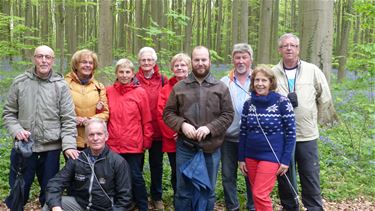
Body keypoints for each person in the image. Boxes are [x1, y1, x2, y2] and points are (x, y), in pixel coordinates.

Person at [2, 45, 78, 209]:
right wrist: (16, 130)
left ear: (53, 60)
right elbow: (9, 113)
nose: (43, 60)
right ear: (34, 58)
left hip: (50, 149)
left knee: (49, 191)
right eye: (40, 56)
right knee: (18, 190)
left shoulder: (61, 86)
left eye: (47, 57)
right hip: (24, 147)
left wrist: (69, 145)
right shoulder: (20, 82)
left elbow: (68, 119)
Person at [163, 46, 234, 210]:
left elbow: (228, 114)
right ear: (191, 62)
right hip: (186, 147)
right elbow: (168, 113)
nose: (200, 63)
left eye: (204, 60)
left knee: (207, 190)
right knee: (183, 191)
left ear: (209, 61)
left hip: (211, 148)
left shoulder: (220, 87)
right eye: (197, 60)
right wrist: (182, 125)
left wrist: (210, 128)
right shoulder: (180, 87)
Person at [272, 33, 336, 211]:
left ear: (298, 49)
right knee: (284, 177)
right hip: (282, 136)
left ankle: (314, 207)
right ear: (280, 50)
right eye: (285, 46)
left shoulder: (312, 70)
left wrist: (321, 120)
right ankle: (290, 207)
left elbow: (325, 97)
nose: (289, 48)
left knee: (310, 174)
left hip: (307, 135)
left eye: (293, 45)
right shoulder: (272, 73)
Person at [238, 65, 296, 211]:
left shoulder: (282, 102)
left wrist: (285, 160)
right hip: (251, 155)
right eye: (257, 80)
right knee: (256, 193)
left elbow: (291, 133)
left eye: (264, 80)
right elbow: (243, 131)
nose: (260, 83)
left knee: (260, 194)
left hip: (272, 156)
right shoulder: (249, 103)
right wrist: (241, 158)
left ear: (271, 82)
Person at [43, 118, 132, 211]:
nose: (95, 138)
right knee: (49, 205)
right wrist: (56, 207)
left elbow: (125, 199)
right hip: (81, 205)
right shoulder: (78, 158)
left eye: (99, 134)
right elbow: (55, 183)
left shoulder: (118, 162)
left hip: (107, 208)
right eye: (91, 135)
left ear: (106, 136)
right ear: (86, 138)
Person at [106, 58, 153, 211]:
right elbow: (105, 116)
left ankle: (142, 205)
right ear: (116, 73)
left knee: (135, 177)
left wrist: (146, 141)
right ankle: (119, 205)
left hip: (133, 143)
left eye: (128, 72)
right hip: (113, 143)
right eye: (121, 72)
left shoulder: (140, 93)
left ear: (133, 73)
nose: (124, 75)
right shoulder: (109, 91)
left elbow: (147, 120)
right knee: (113, 177)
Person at [220, 43, 255, 211]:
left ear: (250, 59)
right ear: (233, 60)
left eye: (244, 57)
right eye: (237, 57)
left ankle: (253, 207)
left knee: (252, 176)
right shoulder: (224, 82)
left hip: (252, 139)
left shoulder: (259, 79)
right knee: (228, 176)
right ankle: (232, 207)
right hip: (228, 138)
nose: (241, 61)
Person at [136, 47, 168, 209]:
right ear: (139, 62)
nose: (147, 63)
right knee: (136, 167)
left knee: (157, 165)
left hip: (158, 131)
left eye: (150, 60)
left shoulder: (163, 79)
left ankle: (157, 197)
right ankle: (137, 196)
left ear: (155, 61)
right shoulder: (133, 79)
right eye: (143, 60)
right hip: (138, 132)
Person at [157, 53, 191, 197]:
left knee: (192, 171)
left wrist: (189, 132)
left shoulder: (196, 86)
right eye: (176, 65)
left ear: (189, 67)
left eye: (183, 65)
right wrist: (175, 133)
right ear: (172, 68)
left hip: (192, 138)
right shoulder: (165, 89)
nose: (179, 68)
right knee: (176, 171)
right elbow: (161, 114)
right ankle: (179, 201)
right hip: (173, 140)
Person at [65, 49, 109, 150]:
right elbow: (57, 111)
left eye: (90, 63)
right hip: (71, 140)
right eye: (84, 62)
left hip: (93, 141)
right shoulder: (64, 84)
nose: (88, 65)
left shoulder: (99, 87)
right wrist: (74, 119)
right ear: (76, 65)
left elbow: (105, 114)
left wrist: (89, 120)